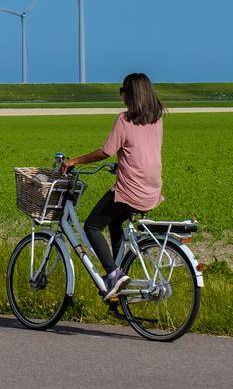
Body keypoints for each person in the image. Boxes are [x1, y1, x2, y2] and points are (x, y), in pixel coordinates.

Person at [60, 72, 165, 300]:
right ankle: (120, 275)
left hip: (131, 191)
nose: (121, 97)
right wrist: (123, 164)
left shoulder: (124, 120)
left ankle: (114, 274)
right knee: (115, 221)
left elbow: (105, 151)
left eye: (123, 92)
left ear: (130, 95)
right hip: (152, 190)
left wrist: (73, 161)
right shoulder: (157, 119)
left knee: (91, 226)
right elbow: (144, 151)